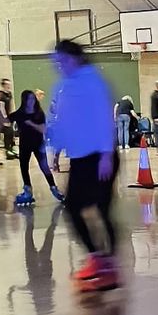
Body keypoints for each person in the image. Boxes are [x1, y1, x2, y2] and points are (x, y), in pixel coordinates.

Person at [47, 40, 119, 292]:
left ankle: (109, 265)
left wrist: (106, 155)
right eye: (56, 61)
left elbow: (103, 119)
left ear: (75, 58)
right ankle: (98, 258)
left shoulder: (92, 82)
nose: (59, 65)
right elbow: (61, 122)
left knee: (101, 209)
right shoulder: (63, 86)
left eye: (62, 60)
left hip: (99, 156)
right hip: (79, 158)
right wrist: (55, 150)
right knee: (73, 209)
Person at [9, 89, 62, 206]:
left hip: (38, 144)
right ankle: (27, 191)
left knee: (44, 167)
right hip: (24, 145)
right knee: (24, 167)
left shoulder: (39, 113)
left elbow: (43, 129)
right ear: (24, 100)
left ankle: (53, 188)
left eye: (33, 99)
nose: (31, 101)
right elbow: (3, 122)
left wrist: (30, 123)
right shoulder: (20, 113)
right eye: (29, 99)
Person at [0, 80, 17, 158]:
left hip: (10, 116)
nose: (9, 86)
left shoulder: (9, 94)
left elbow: (10, 105)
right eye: (7, 84)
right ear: (3, 85)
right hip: (4, 118)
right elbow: (1, 108)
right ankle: (8, 152)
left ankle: (12, 151)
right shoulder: (1, 95)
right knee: (7, 135)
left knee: (11, 135)